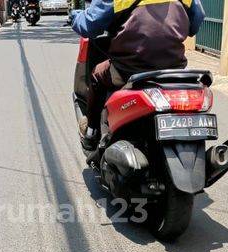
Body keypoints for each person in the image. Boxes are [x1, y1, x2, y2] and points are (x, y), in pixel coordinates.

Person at [71, 0, 205, 150]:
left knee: (97, 75)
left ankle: (91, 132)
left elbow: (89, 24)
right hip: (173, 68)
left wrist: (75, 16)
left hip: (130, 68)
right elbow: (195, 23)